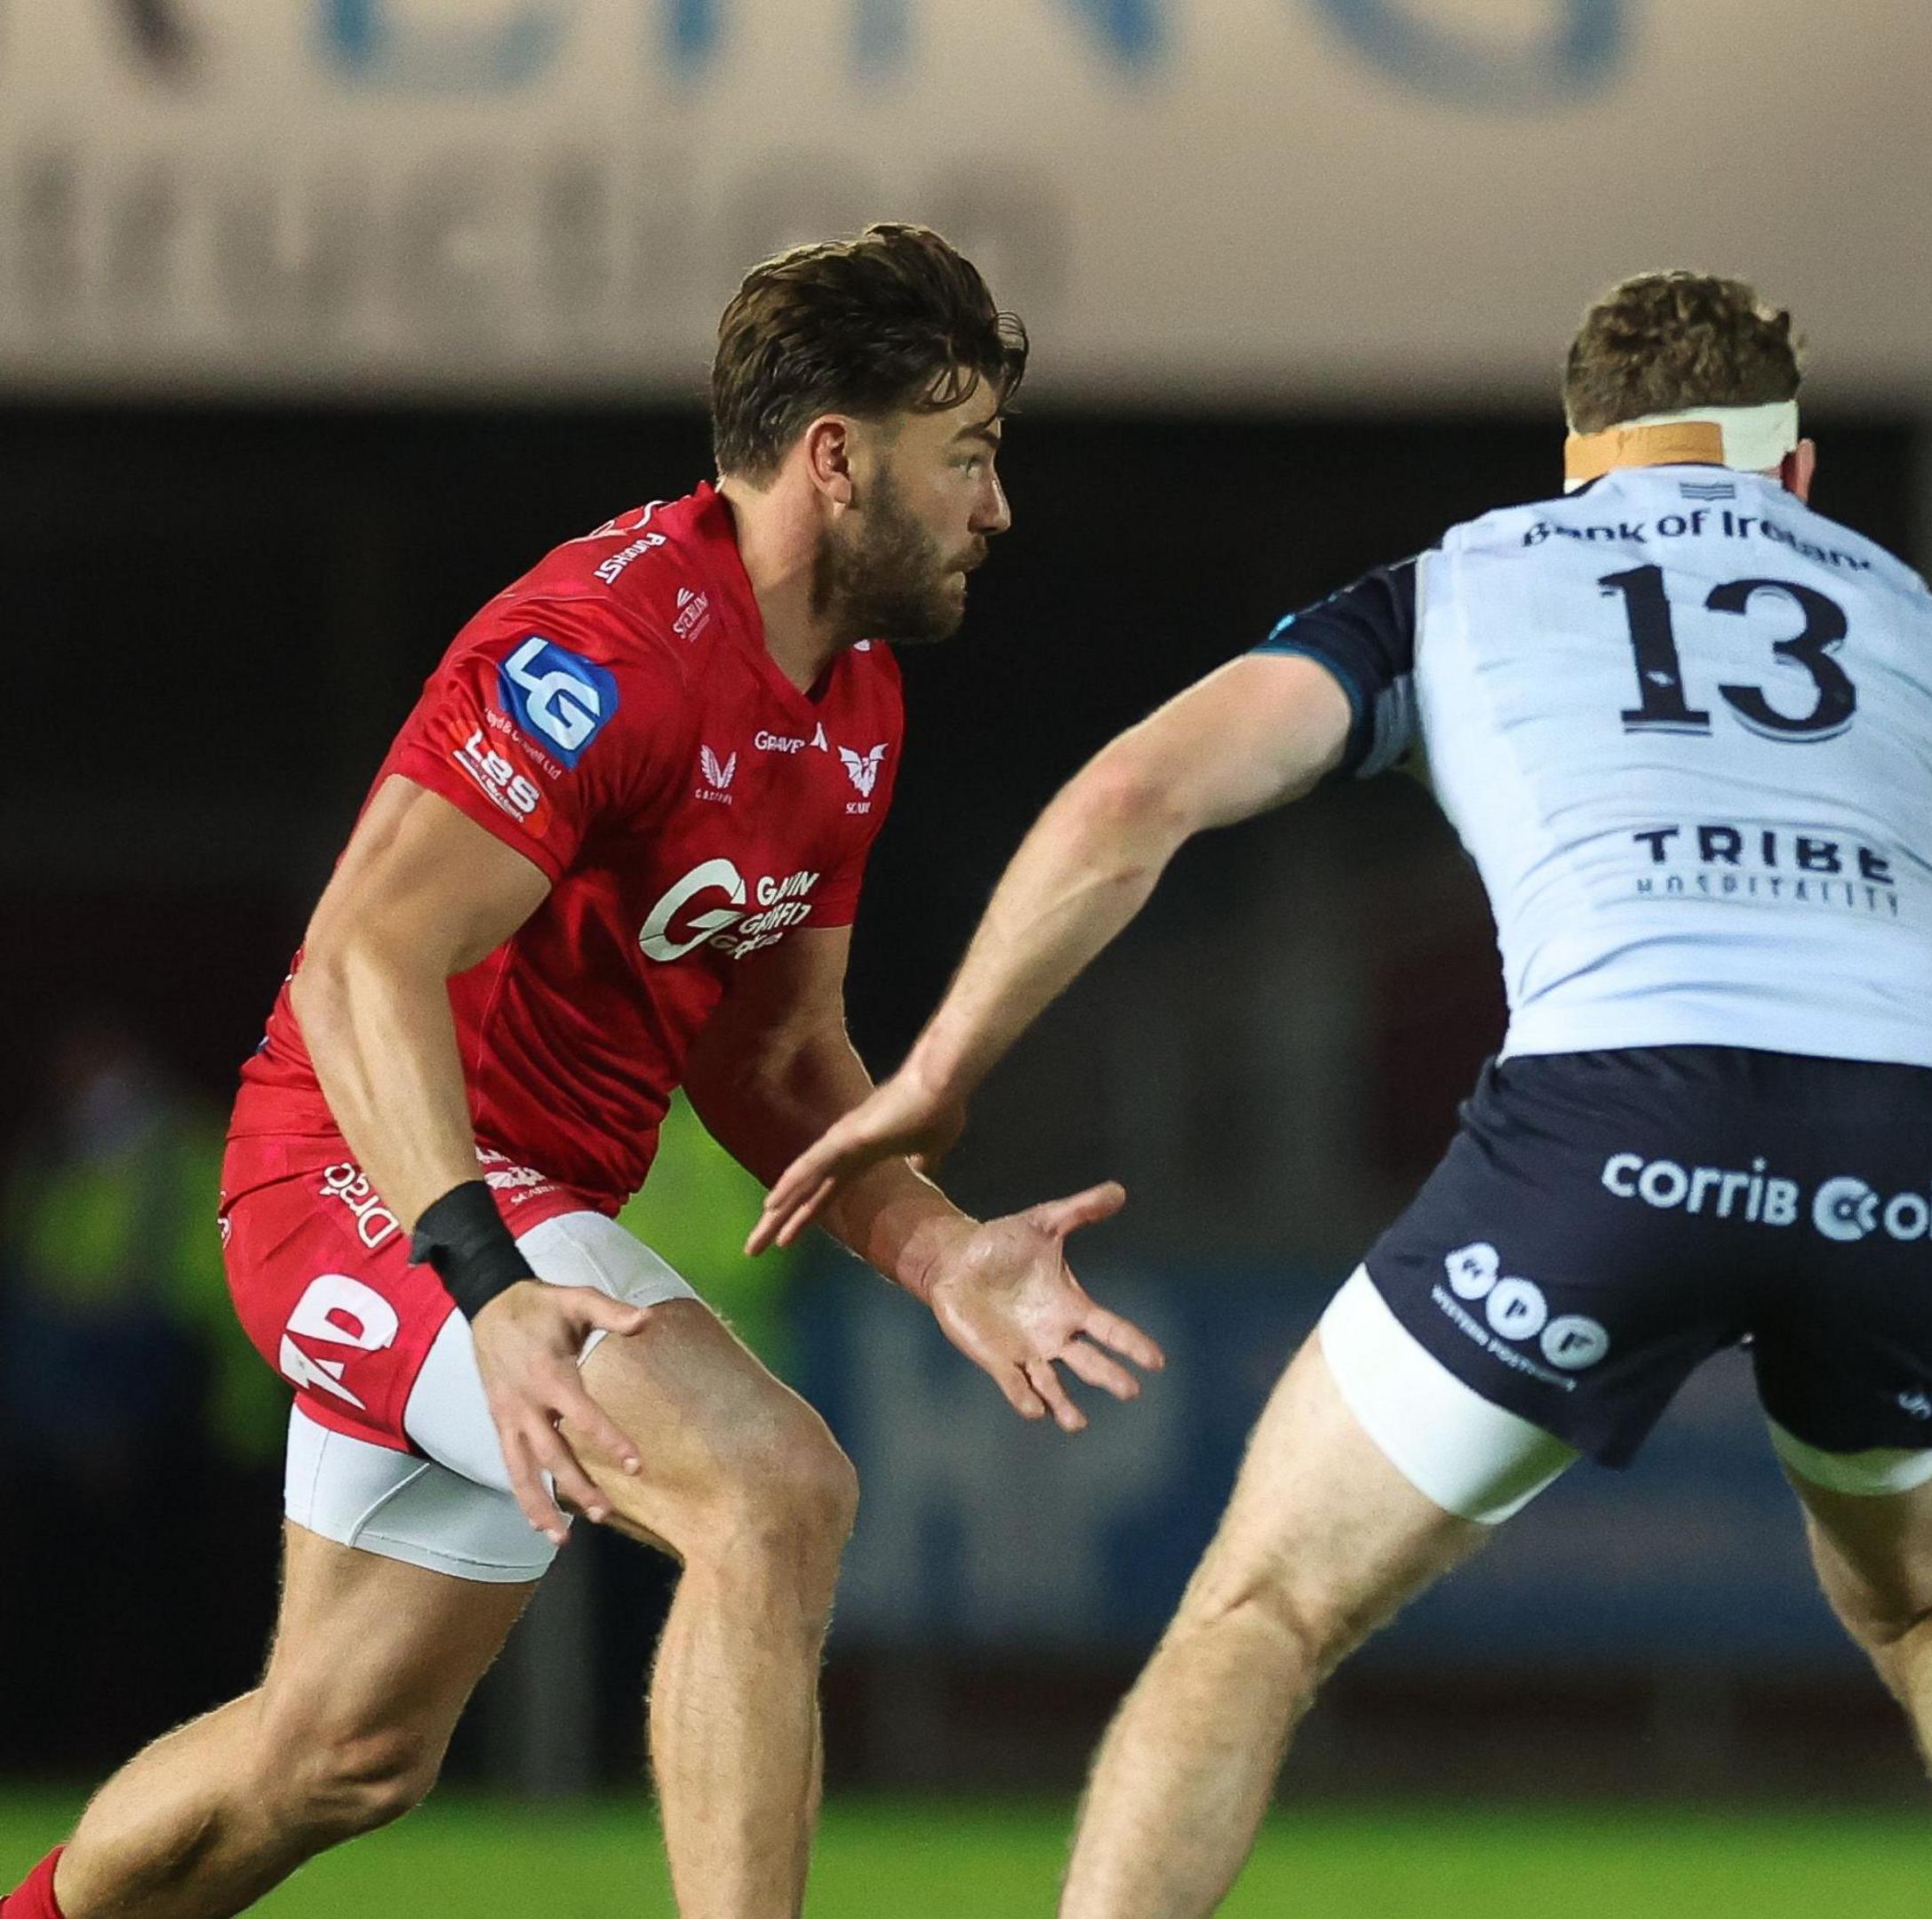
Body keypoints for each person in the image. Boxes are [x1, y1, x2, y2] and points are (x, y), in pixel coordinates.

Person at [755, 270, 1932, 1919]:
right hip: (1906, 1156)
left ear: (1578, 460)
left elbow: (1133, 797)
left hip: (1621, 1127)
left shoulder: (1459, 583)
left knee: (1261, 1611)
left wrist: (942, 1072)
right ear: (1799, 476)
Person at [4, 224, 1158, 1919]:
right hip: (371, 1182)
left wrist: (938, 1249)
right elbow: (359, 960)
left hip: (516, 1227)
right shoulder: (606, 649)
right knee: (775, 1499)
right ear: (837, 458)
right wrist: (480, 1275)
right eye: (969, 457)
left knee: (335, 1760)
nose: (997, 508)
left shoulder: (853, 704)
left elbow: (771, 1060)